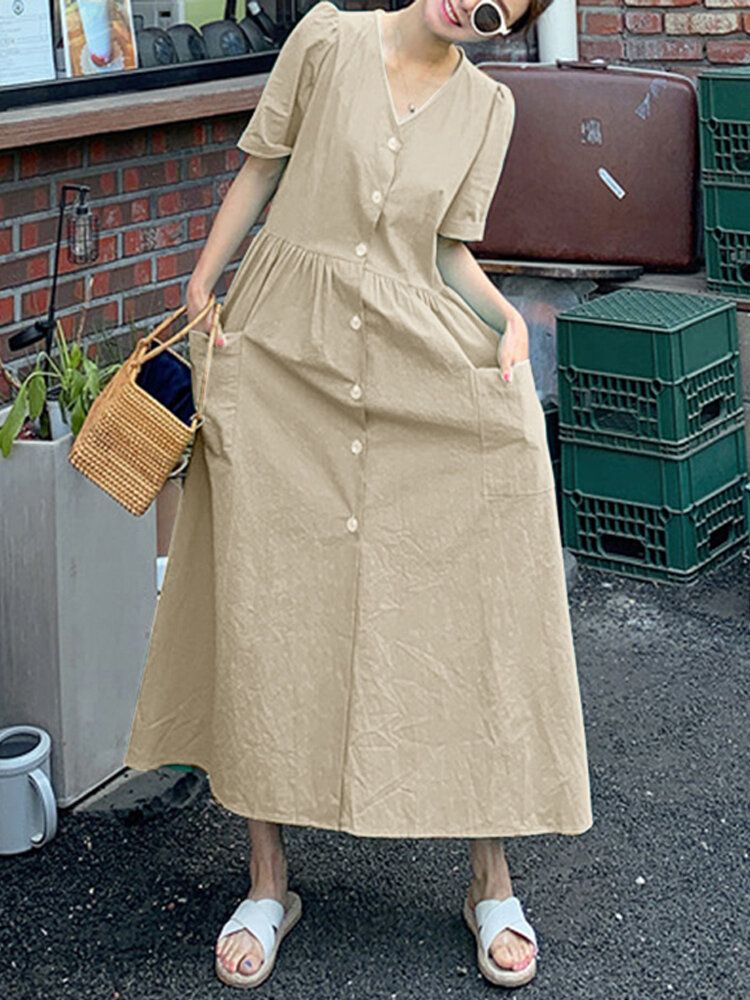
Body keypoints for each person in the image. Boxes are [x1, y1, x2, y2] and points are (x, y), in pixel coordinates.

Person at [123, 0, 593, 990]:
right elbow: (263, 163)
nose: (476, 4)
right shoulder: (326, 37)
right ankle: (266, 881)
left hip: (412, 356)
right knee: (269, 596)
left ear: (504, 31)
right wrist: (204, 283)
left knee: (471, 594)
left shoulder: (489, 109)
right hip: (285, 353)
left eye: (502, 9)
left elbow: (446, 254)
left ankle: (490, 879)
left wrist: (507, 323)